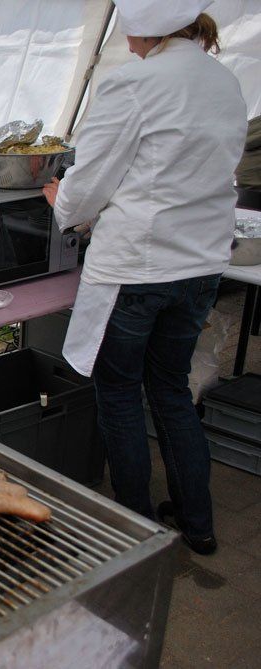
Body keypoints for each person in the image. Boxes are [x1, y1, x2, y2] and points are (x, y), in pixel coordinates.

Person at [42, 0, 247, 554]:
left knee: (119, 393)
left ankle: (136, 530)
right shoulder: (224, 81)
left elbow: (92, 183)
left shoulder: (133, 84)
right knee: (171, 391)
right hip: (200, 265)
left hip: (138, 268)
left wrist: (63, 200)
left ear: (142, 30)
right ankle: (196, 524)